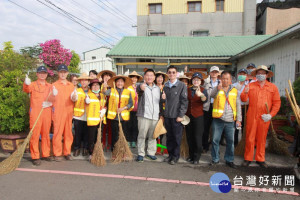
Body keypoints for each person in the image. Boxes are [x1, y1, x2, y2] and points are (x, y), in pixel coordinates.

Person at [241, 65, 281, 168]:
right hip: (252, 115)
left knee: (262, 138)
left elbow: (277, 103)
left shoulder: (272, 87)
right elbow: (244, 99)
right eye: (258, 73)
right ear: (256, 75)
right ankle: (248, 158)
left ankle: (260, 158)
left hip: (264, 116)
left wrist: (271, 115)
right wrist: (245, 93)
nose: (260, 75)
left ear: (267, 75)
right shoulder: (251, 85)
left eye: (263, 73)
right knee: (250, 137)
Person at [23, 66, 56, 166]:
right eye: (40, 73)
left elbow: (53, 99)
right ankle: (35, 156)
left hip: (46, 113)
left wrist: (50, 102)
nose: (42, 74)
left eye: (44, 73)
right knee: (35, 135)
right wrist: (25, 83)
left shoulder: (50, 86)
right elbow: (26, 90)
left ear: (46, 74)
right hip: (36, 113)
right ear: (37, 74)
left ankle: (45, 154)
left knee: (46, 134)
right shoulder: (32, 84)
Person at [210, 71, 242, 169]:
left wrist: (238, 119)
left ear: (230, 80)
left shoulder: (235, 90)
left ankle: (229, 159)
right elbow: (211, 95)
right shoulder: (217, 88)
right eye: (223, 78)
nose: (225, 80)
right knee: (215, 140)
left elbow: (238, 105)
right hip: (218, 119)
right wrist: (216, 88)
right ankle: (215, 159)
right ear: (221, 79)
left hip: (230, 120)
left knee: (230, 141)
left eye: (227, 78)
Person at [136, 69, 163, 162]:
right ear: (144, 76)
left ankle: (151, 153)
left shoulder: (158, 89)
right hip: (144, 115)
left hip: (155, 116)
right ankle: (140, 153)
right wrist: (141, 88)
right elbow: (139, 89)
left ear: (154, 77)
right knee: (142, 135)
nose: (149, 77)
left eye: (151, 75)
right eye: (147, 75)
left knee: (153, 136)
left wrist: (160, 114)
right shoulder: (141, 86)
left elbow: (160, 102)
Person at [163, 65, 188, 165]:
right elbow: (163, 101)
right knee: (169, 137)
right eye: (170, 72)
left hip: (177, 117)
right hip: (167, 116)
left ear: (176, 73)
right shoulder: (165, 86)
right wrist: (163, 99)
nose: (172, 74)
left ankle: (175, 156)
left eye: (173, 72)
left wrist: (181, 115)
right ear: (167, 74)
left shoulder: (182, 85)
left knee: (177, 137)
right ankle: (170, 155)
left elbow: (184, 101)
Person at [102, 75, 133, 152]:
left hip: (124, 117)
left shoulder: (127, 91)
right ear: (115, 83)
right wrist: (104, 87)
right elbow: (105, 93)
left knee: (123, 134)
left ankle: (122, 149)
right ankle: (114, 149)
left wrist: (123, 108)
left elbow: (131, 103)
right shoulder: (112, 90)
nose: (120, 83)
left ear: (124, 83)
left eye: (121, 82)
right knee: (115, 134)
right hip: (114, 117)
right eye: (118, 82)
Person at [52, 64, 75, 161]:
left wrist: (75, 98)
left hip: (69, 112)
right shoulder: (54, 85)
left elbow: (74, 99)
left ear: (67, 73)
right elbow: (50, 99)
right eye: (61, 72)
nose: (62, 74)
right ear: (58, 73)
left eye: (64, 72)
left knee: (68, 133)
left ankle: (67, 152)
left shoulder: (71, 85)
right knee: (57, 133)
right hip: (58, 112)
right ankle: (57, 153)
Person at [186, 72, 208, 165]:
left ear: (201, 81)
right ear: (192, 80)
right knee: (189, 137)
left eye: (198, 80)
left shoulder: (203, 90)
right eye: (194, 79)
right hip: (188, 116)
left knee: (197, 137)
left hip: (198, 116)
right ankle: (191, 156)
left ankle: (196, 157)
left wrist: (201, 95)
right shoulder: (188, 89)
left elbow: (205, 100)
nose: (196, 81)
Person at [85, 79, 106, 159]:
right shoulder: (88, 95)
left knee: (99, 137)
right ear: (91, 87)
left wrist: (104, 109)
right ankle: (91, 153)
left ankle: (98, 152)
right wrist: (86, 100)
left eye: (97, 85)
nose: (96, 87)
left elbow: (105, 105)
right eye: (94, 85)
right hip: (92, 120)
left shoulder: (102, 95)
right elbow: (86, 102)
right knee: (91, 138)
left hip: (100, 120)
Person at [72, 73, 92, 157]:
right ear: (80, 81)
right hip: (78, 116)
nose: (84, 82)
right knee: (78, 134)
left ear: (88, 82)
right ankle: (76, 148)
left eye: (85, 80)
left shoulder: (92, 91)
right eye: (82, 80)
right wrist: (74, 97)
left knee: (87, 134)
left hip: (88, 116)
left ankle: (85, 148)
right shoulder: (77, 90)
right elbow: (73, 98)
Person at [203, 66, 221, 153]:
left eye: (216, 72)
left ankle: (215, 148)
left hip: (217, 107)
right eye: (212, 72)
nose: (214, 73)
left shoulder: (221, 83)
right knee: (205, 128)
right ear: (210, 73)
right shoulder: (205, 82)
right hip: (207, 106)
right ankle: (205, 146)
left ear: (218, 73)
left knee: (216, 128)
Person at [98, 70, 116, 150]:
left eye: (108, 76)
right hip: (101, 108)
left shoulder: (113, 86)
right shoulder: (99, 85)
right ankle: (102, 143)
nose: (107, 77)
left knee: (110, 127)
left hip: (111, 108)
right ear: (102, 77)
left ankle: (109, 143)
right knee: (102, 127)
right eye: (105, 76)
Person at [232, 68, 249, 146]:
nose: (242, 75)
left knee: (245, 126)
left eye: (244, 74)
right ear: (238, 75)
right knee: (236, 126)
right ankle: (235, 143)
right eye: (240, 74)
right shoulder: (234, 85)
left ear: (246, 76)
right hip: (236, 108)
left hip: (245, 107)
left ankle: (243, 143)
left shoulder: (248, 85)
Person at [127, 71, 143, 148]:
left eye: (135, 78)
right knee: (128, 125)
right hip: (129, 110)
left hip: (137, 110)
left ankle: (133, 140)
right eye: (132, 77)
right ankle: (128, 140)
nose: (134, 79)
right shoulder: (127, 87)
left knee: (135, 126)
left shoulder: (139, 87)